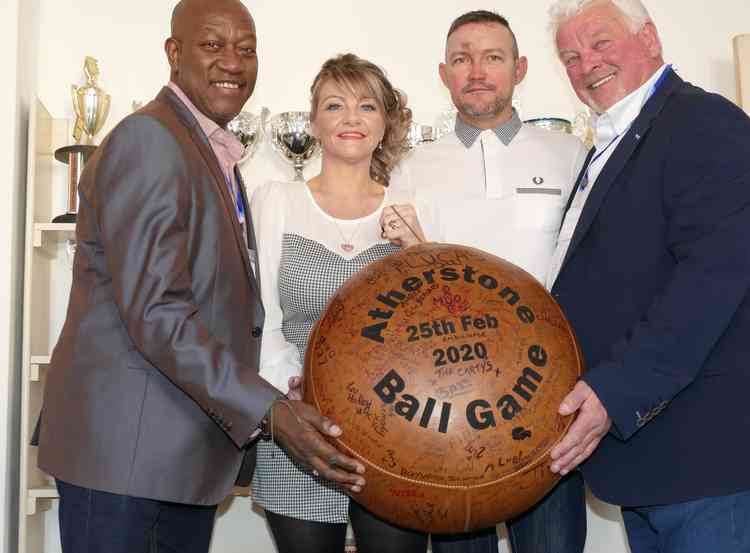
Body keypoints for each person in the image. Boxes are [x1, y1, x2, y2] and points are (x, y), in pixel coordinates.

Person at [33, 2, 364, 552]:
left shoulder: (207, 149)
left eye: (246, 48)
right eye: (212, 45)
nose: (232, 62)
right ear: (173, 53)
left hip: (171, 460)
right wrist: (272, 411)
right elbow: (159, 313)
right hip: (128, 460)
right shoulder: (151, 142)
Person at [544, 1, 750, 552]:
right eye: (570, 56)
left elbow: (709, 283)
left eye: (601, 42)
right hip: (653, 464)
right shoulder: (608, 145)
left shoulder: (703, 122)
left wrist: (613, 390)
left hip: (707, 464)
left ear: (651, 39)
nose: (586, 63)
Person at [385, 10, 588, 553]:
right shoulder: (406, 168)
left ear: (520, 69)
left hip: (551, 409)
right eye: (462, 59)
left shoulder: (574, 158)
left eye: (492, 57)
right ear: (443, 73)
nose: (476, 70)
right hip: (450, 415)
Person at [250, 53, 428, 553]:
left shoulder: (414, 207)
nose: (351, 118)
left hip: (397, 429)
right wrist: (298, 394)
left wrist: (418, 253)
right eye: (335, 105)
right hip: (300, 425)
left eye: (367, 106)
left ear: (386, 123)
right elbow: (263, 317)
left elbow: (434, 330)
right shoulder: (275, 200)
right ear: (313, 123)